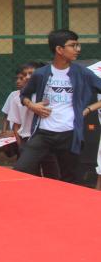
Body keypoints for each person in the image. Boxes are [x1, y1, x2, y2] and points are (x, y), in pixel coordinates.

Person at [14, 30, 101, 184]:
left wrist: (88, 109)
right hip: (43, 133)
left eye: (78, 45)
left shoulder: (82, 73)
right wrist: (32, 106)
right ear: (59, 49)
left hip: (70, 134)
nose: (78, 49)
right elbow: (23, 95)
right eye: (73, 45)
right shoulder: (41, 74)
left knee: (69, 179)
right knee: (21, 168)